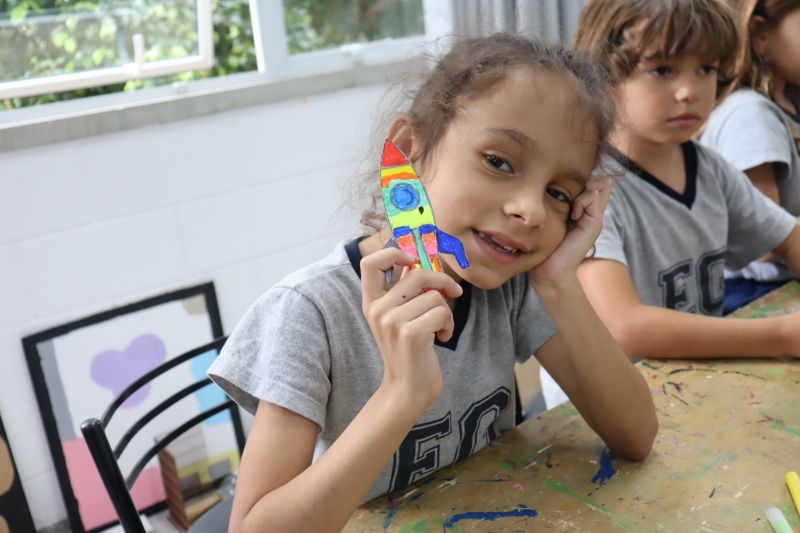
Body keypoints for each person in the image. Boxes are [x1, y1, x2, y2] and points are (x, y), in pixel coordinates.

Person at [207, 34, 658, 532]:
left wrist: (559, 281)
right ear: (409, 149)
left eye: (558, 193)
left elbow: (636, 435)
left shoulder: (513, 288)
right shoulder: (309, 312)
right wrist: (401, 392)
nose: (530, 211)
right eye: (499, 162)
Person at [541, 0, 800, 409]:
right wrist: (782, 335)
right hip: (599, 412)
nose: (689, 92)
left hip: (693, 388)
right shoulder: (589, 188)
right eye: (662, 70)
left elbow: (790, 239)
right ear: (604, 75)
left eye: (706, 69)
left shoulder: (709, 169)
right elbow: (627, 327)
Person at [700, 0, 800, 313]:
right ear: (759, 34)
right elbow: (763, 244)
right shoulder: (750, 115)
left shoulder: (784, 107)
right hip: (751, 296)